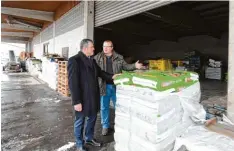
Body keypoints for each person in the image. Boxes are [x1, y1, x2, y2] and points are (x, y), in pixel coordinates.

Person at [68, 39, 119, 151]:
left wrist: (112, 76)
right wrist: (76, 101)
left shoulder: (92, 60)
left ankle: (89, 138)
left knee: (92, 118)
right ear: (85, 48)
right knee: (80, 121)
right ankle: (79, 144)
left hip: (93, 97)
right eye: (92, 47)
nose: (94, 49)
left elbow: (100, 73)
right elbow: (72, 83)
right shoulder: (74, 60)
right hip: (82, 98)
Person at [94, 40, 144, 136]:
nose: (105, 48)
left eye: (107, 46)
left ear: (112, 47)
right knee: (104, 107)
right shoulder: (98, 57)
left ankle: (120, 125)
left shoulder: (119, 57)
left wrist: (135, 65)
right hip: (103, 85)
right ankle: (105, 126)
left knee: (119, 106)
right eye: (104, 46)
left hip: (116, 86)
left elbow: (126, 67)